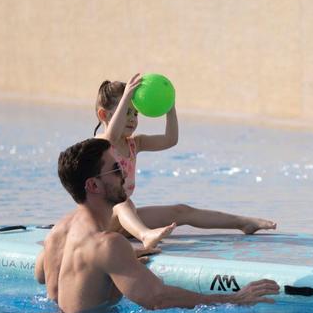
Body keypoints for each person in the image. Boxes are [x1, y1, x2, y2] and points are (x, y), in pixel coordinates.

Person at [34, 138, 280, 313]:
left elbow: (41, 275)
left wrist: (114, 264)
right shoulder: (107, 244)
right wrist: (234, 299)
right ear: (93, 186)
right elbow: (157, 299)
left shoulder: (58, 231)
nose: (125, 174)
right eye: (116, 169)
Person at [94, 73, 276, 251]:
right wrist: (127, 96)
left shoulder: (135, 144)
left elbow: (170, 139)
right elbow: (111, 136)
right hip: (102, 223)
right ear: (103, 115)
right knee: (122, 203)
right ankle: (145, 235)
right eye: (126, 111)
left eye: (135, 113)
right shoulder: (99, 144)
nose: (133, 118)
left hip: (125, 222)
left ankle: (242, 222)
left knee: (181, 211)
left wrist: (169, 105)